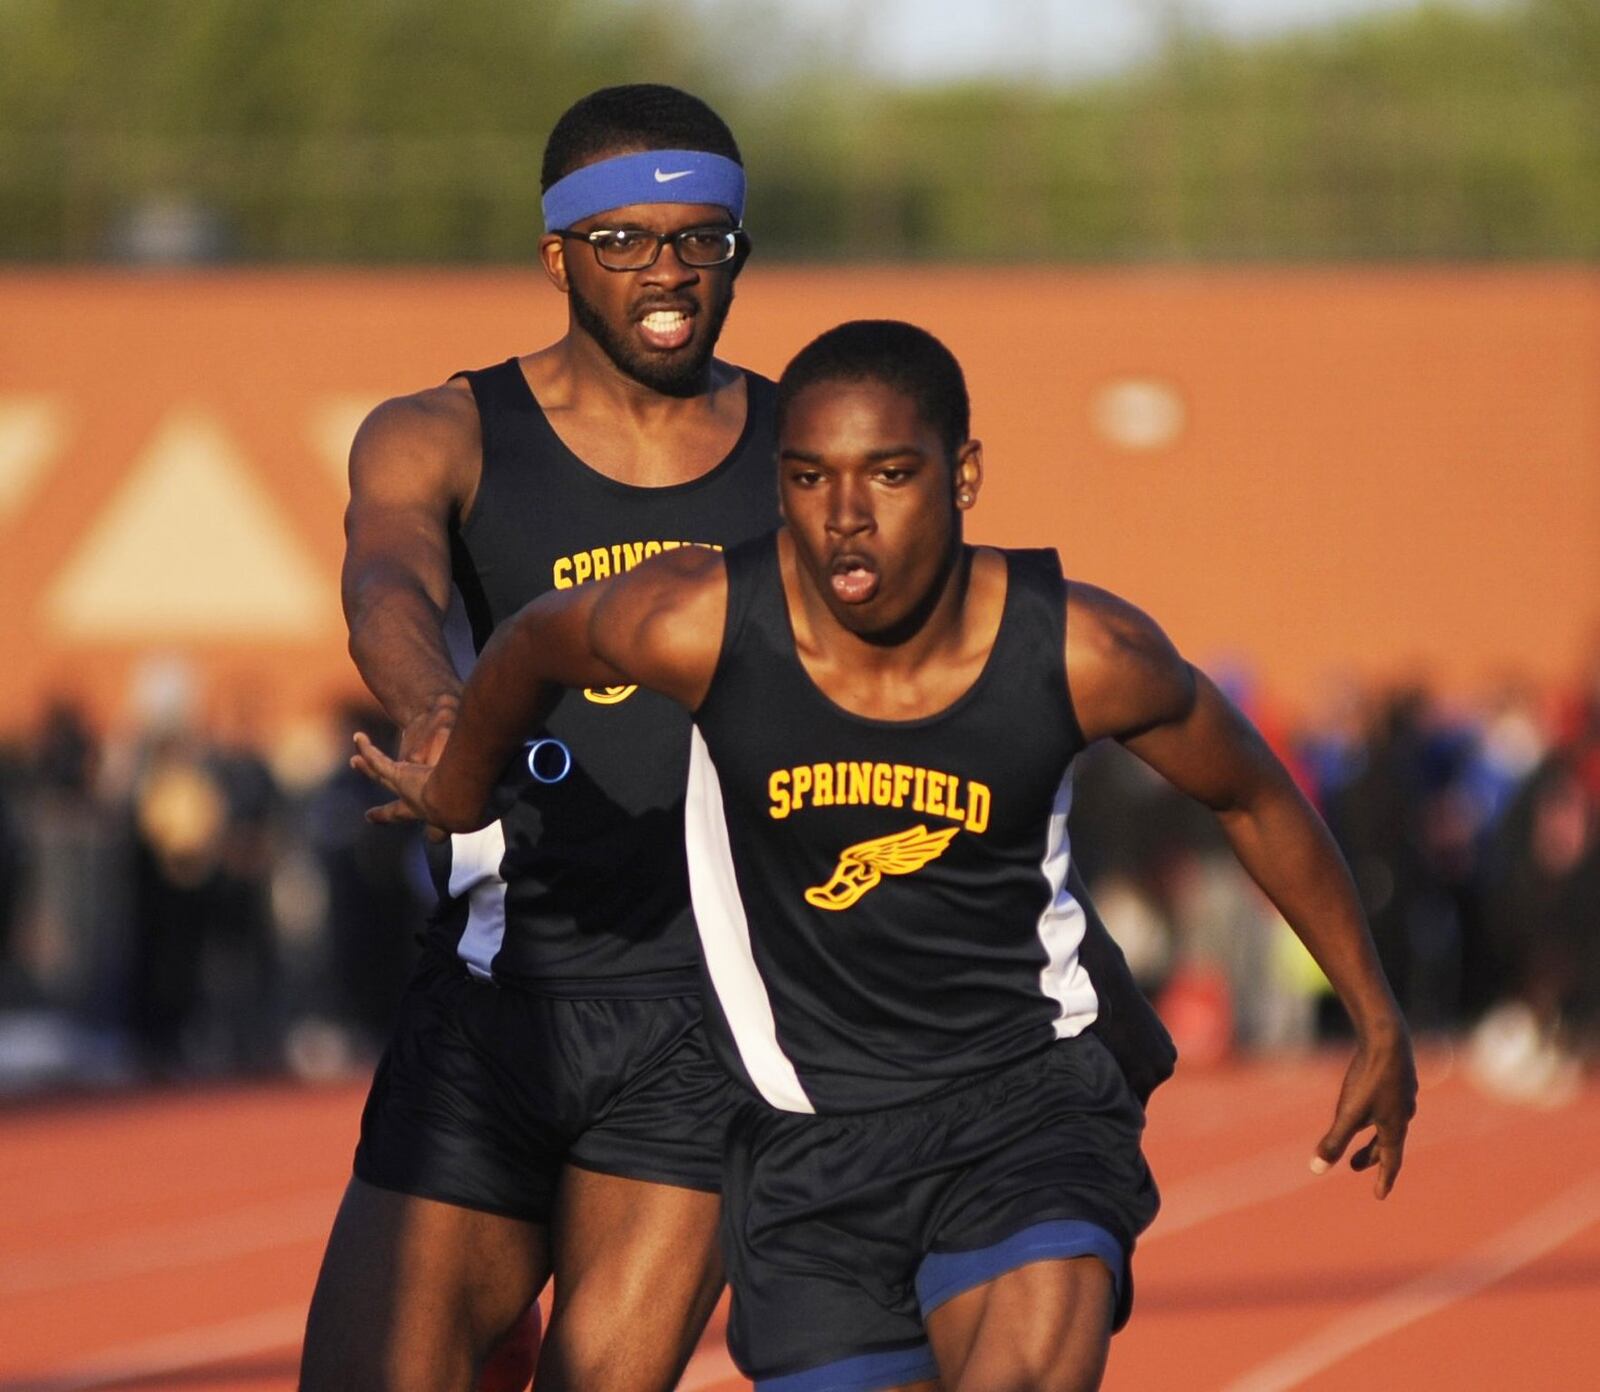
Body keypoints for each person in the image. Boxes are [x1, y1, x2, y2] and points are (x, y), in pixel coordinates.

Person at [353, 320, 1418, 1392]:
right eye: (809, 478)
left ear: (964, 477)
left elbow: (1251, 794)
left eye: (889, 475)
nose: (845, 518)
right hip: (809, 1150)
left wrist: (1372, 1013)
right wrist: (454, 783)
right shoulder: (703, 623)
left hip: (1023, 1110)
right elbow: (534, 640)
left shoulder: (1081, 650)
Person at [300, 85, 781, 1392]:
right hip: (496, 1000)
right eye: (626, 240)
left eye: (702, 239)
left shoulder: (807, 457)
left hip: (712, 1017)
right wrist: (432, 707)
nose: (669, 271)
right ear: (556, 256)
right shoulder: (444, 431)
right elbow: (384, 583)